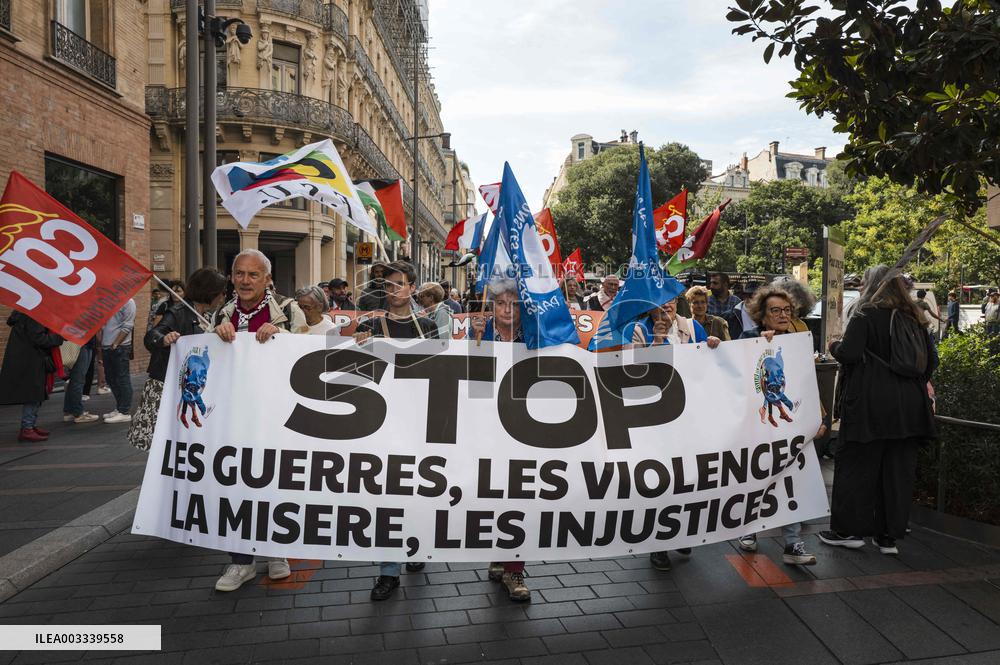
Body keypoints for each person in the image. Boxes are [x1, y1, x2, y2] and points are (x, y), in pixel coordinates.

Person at [819, 266, 938, 555]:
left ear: (872, 285)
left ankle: (848, 531)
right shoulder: (915, 316)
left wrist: (834, 345)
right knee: (897, 472)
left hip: (869, 404)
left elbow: (849, 353)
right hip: (909, 407)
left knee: (856, 466)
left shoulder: (865, 314)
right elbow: (931, 361)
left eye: (863, 282)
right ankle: (888, 537)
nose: (860, 287)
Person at [211, 249, 306, 592]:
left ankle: (277, 551)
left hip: (276, 415)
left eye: (253, 274)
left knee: (274, 484)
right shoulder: (222, 313)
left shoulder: (288, 310)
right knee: (236, 487)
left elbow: (308, 354)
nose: (245, 280)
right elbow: (207, 360)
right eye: (239, 273)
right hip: (234, 416)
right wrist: (212, 336)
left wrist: (284, 337)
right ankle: (241, 562)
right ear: (231, 277)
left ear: (267, 279)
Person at [354, 261, 435, 600]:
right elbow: (355, 372)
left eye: (400, 283)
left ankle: (416, 547)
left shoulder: (428, 326)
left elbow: (440, 373)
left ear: (413, 287)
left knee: (416, 493)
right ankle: (388, 571)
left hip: (417, 424)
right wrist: (358, 344)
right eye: (389, 285)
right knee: (386, 498)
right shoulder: (371, 325)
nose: (394, 290)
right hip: (380, 426)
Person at [626, 297, 721, 571]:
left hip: (689, 417)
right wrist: (656, 342)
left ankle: (680, 532)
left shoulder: (691, 328)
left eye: (670, 300)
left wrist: (714, 346)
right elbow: (632, 371)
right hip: (655, 418)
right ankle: (658, 544)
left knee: (687, 478)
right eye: (659, 302)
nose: (666, 306)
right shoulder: (638, 330)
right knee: (660, 481)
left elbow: (709, 366)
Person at [736, 285, 825, 565]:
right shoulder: (748, 338)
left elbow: (806, 382)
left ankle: (792, 543)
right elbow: (733, 372)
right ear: (762, 315)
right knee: (757, 478)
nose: (783, 315)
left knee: (792, 479)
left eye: (787, 310)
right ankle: (749, 530)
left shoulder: (798, 341)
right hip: (758, 427)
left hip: (790, 426)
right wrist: (762, 345)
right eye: (775, 310)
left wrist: (818, 416)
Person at [469, 279, 533, 600]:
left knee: (519, 496)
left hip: (524, 428)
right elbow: (468, 380)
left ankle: (514, 570)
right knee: (494, 496)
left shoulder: (533, 336)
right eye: (501, 303)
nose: (508, 310)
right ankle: (499, 552)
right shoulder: (479, 335)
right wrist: (475, 344)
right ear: (491, 307)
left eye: (515, 304)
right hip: (488, 428)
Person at [129, 268, 227, 451]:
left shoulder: (206, 316)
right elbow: (151, 336)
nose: (223, 297)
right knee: (159, 443)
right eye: (222, 292)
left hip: (185, 385)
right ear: (211, 292)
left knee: (178, 441)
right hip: (166, 386)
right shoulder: (179, 312)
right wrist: (164, 339)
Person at [0, 312, 63, 442]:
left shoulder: (25, 314)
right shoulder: (33, 315)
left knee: (35, 394)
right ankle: (27, 428)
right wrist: (58, 337)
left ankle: (30, 425)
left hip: (28, 359)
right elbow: (39, 339)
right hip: (31, 361)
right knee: (33, 395)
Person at [101, 299, 136, 424]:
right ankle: (120, 407)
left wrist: (116, 343)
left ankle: (124, 412)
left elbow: (128, 325)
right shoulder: (108, 301)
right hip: (106, 346)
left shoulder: (128, 301)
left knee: (122, 378)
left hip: (120, 347)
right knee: (111, 379)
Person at [61, 330, 98, 424]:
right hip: (80, 344)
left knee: (75, 379)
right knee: (78, 380)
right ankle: (78, 413)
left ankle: (69, 411)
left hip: (84, 343)